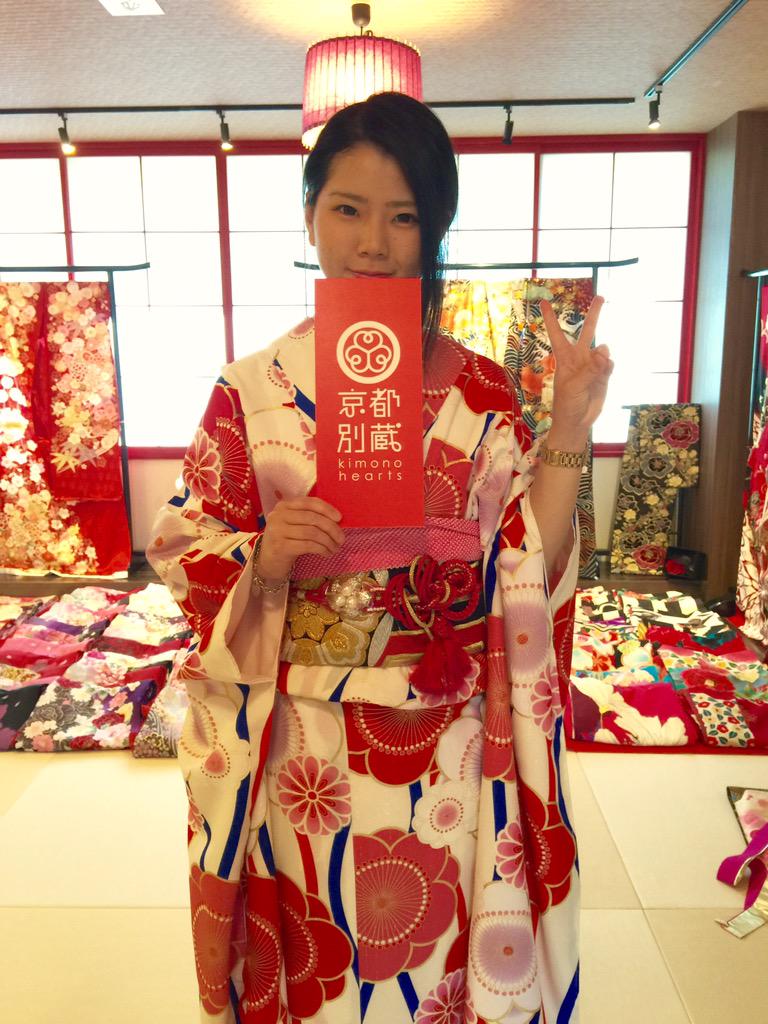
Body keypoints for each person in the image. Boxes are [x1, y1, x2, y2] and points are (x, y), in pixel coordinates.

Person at [147, 91, 613, 1024]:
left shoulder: (482, 389)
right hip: (304, 736)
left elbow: (528, 561)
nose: (372, 243)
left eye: (404, 217)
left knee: (430, 958)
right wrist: (263, 556)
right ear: (310, 214)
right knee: (322, 949)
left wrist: (569, 425)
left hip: (445, 733)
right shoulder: (251, 389)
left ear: (433, 230)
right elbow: (183, 544)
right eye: (348, 209)